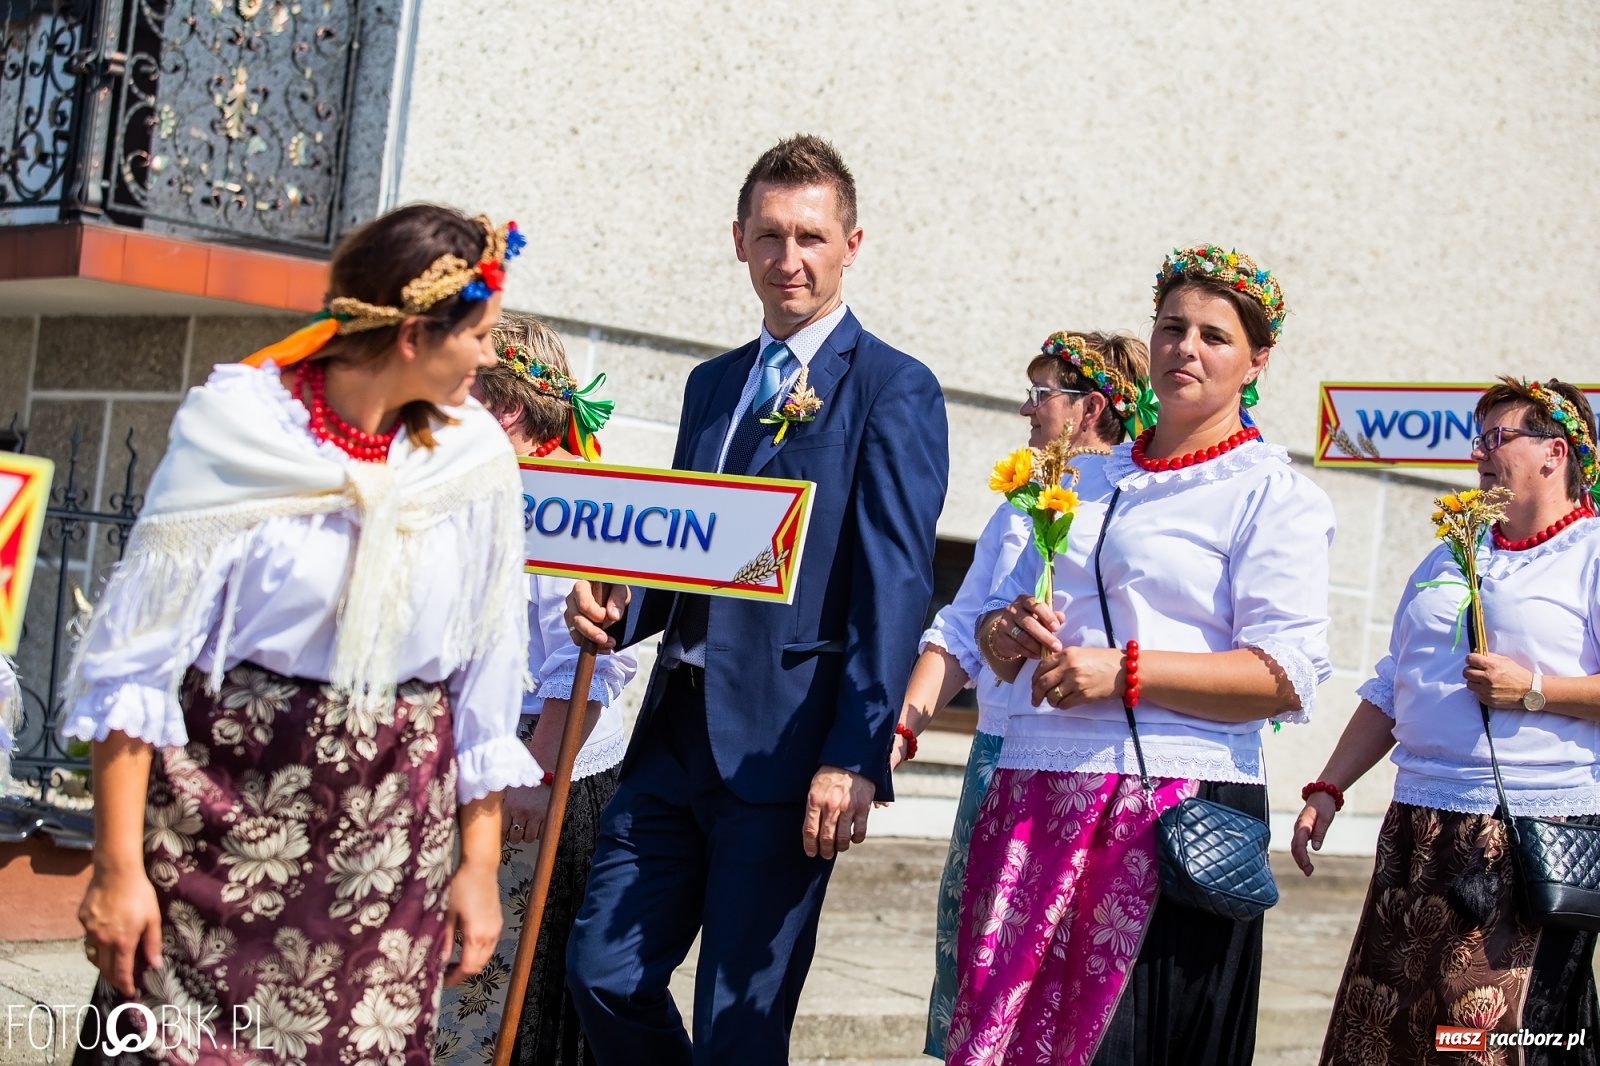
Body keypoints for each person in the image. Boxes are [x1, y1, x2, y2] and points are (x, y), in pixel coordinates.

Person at [64, 204, 541, 1063]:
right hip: (214, 831)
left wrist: (477, 864)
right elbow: (135, 665)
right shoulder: (239, 431)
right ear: (411, 336)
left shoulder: (473, 459)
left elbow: (485, 673)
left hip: (387, 856)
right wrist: (117, 866)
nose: (487, 358)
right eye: (477, 336)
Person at [562, 134, 949, 1065]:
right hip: (672, 735)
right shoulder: (712, 385)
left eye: (811, 236)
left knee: (740, 1026)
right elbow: (689, 556)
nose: (790, 258)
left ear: (852, 245)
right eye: (770, 234)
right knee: (602, 972)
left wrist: (855, 755)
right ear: (739, 240)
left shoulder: (893, 389)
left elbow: (894, 588)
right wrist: (618, 610)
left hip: (789, 751)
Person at [955, 245, 1333, 1065]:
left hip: (1168, 808)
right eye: (1172, 327)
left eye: (1214, 336)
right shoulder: (1082, 481)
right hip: (1035, 792)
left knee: (1127, 1044)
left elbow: (1283, 675)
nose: (1186, 348)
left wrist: (1125, 672)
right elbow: (988, 635)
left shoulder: (1271, 494)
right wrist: (1006, 632)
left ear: (1257, 360)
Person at [1294, 377, 1600, 1066]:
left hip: (1525, 834)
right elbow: (1392, 685)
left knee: (1479, 1041)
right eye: (1478, 439)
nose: (1479, 454)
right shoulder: (1450, 553)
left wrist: (1535, 690)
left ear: (1555, 452)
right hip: (1419, 827)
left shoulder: (1590, 553)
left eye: (1497, 438)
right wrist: (1328, 788)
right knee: (1384, 1032)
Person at [892, 330, 1151, 1059]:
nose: (1026, 409)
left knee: (1066, 977)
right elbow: (961, 630)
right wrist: (903, 731)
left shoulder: (1133, 506)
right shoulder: (1020, 504)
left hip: (1086, 767)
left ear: (1091, 408)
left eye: (1042, 395)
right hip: (996, 754)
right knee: (978, 957)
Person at [435, 317, 637, 1066]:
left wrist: (538, 772)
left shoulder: (564, 499)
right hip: (483, 751)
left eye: (463, 394)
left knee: (512, 985)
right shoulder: (484, 490)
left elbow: (592, 660)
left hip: (542, 761)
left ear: (509, 409)